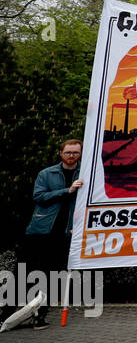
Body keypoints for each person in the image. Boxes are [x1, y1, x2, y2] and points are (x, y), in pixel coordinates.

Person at [5, 140, 83, 328]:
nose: (71, 156)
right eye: (68, 152)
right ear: (60, 153)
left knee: (52, 276)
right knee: (22, 273)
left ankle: (39, 316)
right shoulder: (47, 174)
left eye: (75, 153)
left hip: (64, 234)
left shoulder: (85, 175)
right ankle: (6, 313)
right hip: (40, 231)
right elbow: (39, 197)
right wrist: (68, 190)